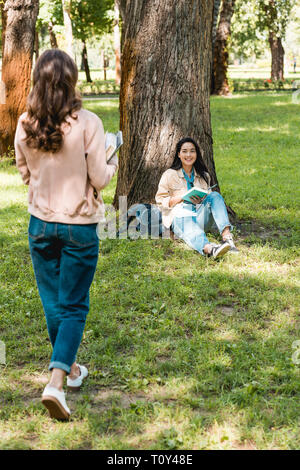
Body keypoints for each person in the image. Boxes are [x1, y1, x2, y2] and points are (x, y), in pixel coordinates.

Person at [14, 49, 118, 420]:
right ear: (71, 79)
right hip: (79, 226)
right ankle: (56, 383)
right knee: (73, 303)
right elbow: (100, 178)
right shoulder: (88, 122)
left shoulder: (25, 122)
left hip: (40, 224)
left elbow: (24, 173)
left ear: (38, 81)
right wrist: (113, 157)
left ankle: (71, 370)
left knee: (54, 301)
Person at [155, 137, 238, 258]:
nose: (188, 155)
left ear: (196, 153)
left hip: (200, 216)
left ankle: (227, 238)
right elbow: (160, 202)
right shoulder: (169, 174)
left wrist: (201, 200)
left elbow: (208, 200)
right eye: (184, 151)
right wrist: (182, 197)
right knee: (183, 216)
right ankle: (209, 249)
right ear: (178, 154)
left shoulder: (203, 175)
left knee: (214, 195)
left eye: (192, 151)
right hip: (180, 219)